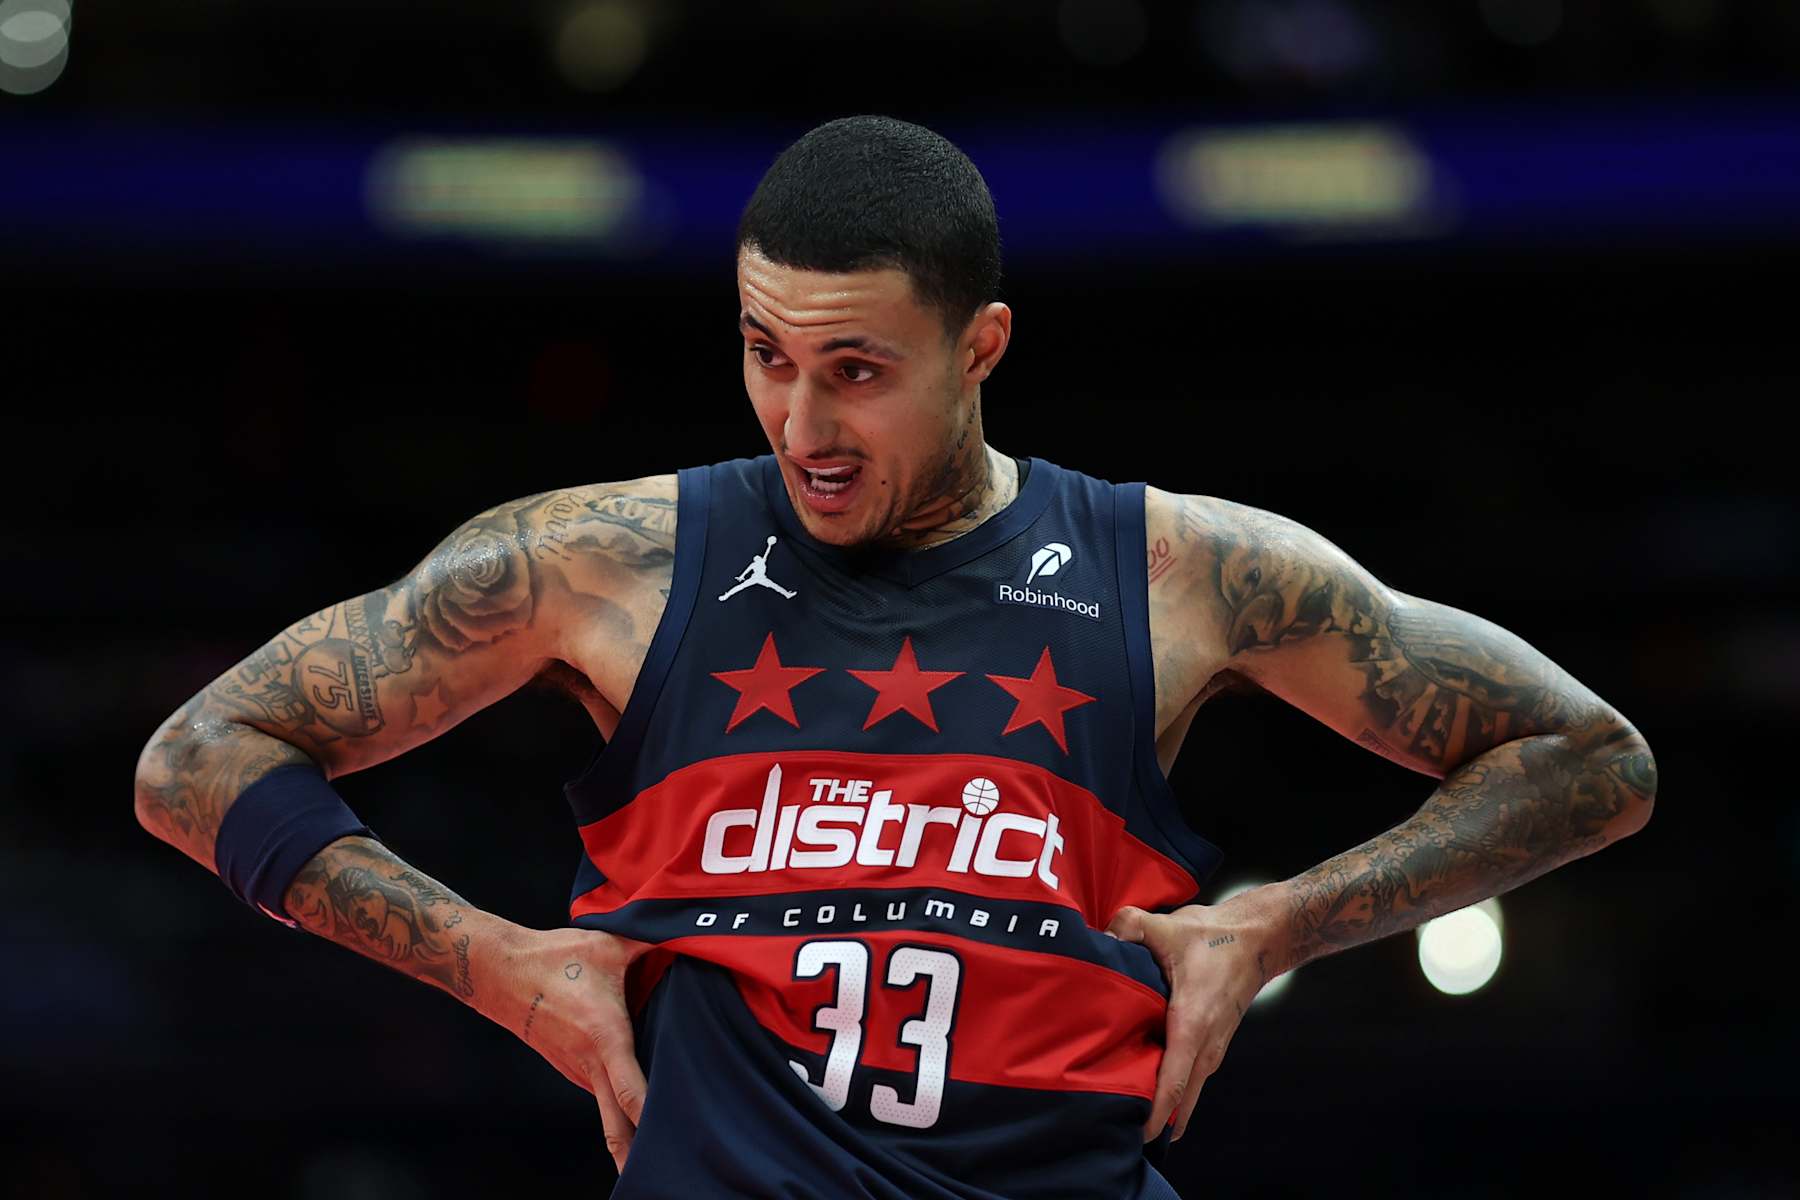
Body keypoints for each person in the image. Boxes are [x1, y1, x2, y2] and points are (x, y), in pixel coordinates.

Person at [132, 115, 1657, 1199]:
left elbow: (1593, 759)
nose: (801, 426)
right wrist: (503, 967)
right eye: (764, 353)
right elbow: (198, 760)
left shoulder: (1179, 568)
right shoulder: (606, 560)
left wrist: (1277, 927)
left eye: (856, 371)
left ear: (981, 346)